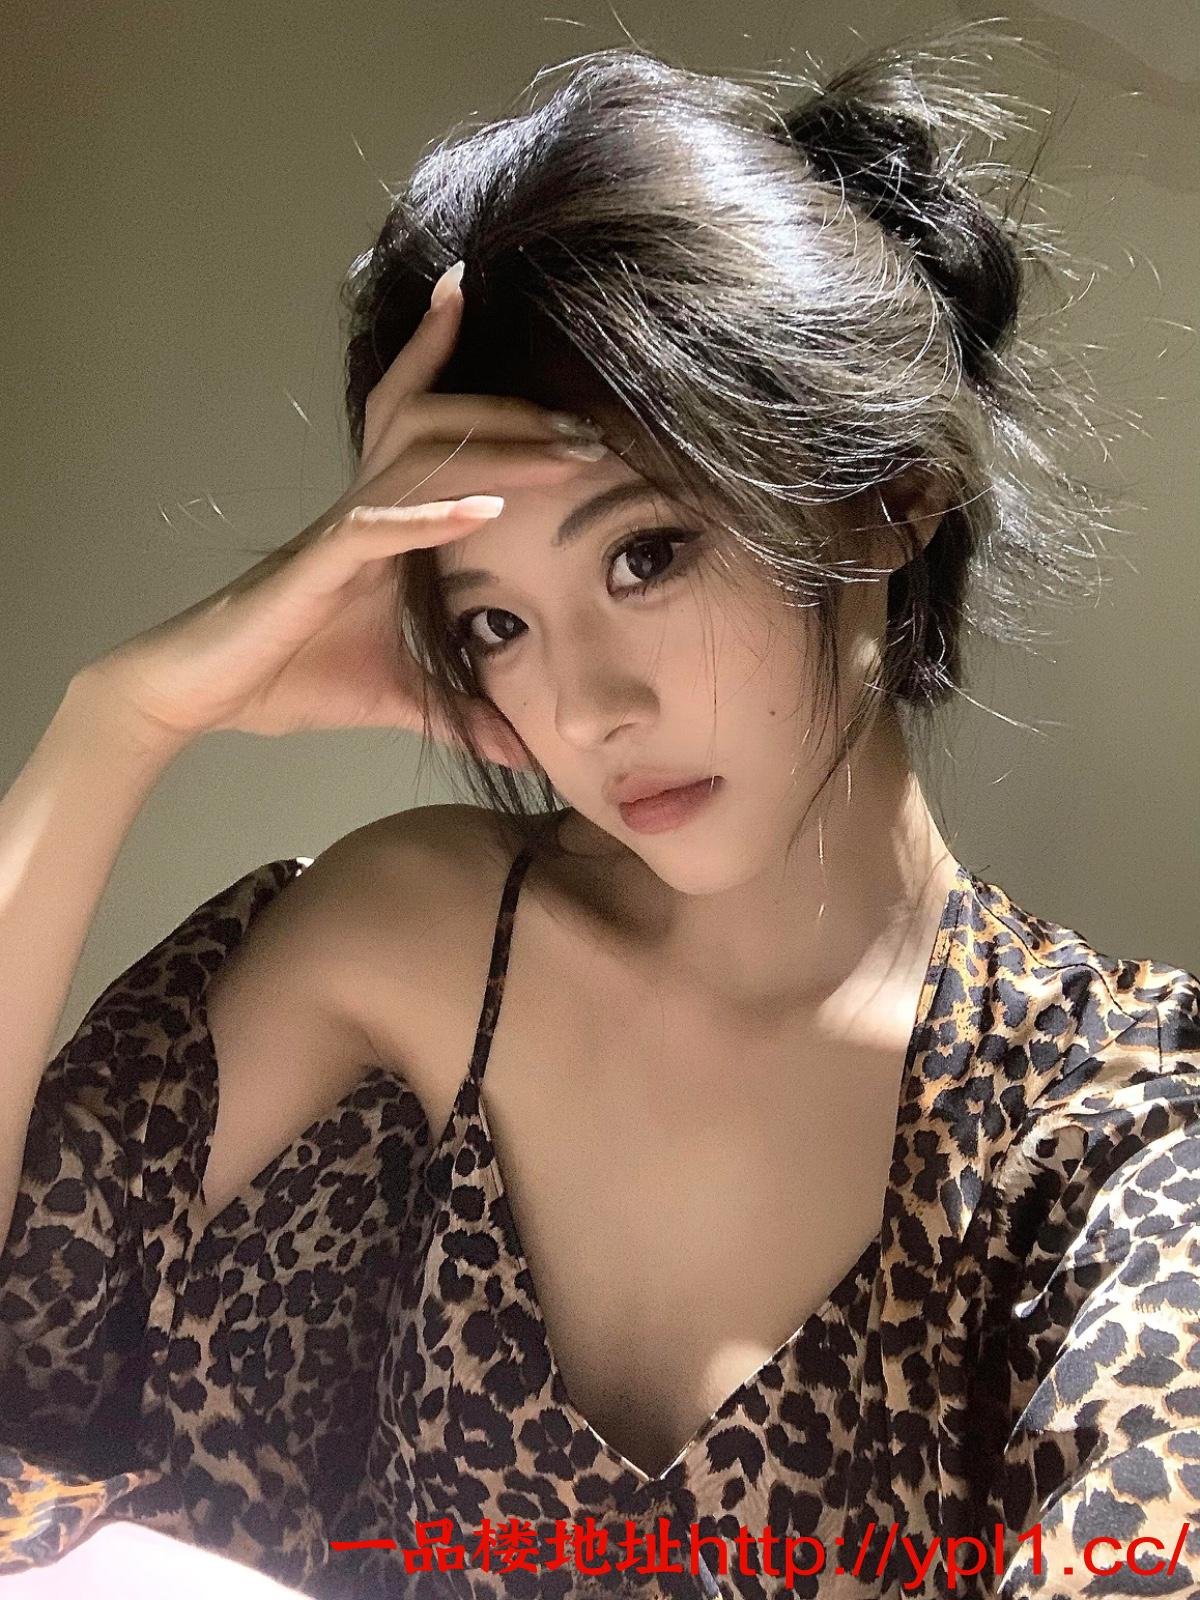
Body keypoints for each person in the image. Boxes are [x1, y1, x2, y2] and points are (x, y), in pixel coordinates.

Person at [1, 26, 1197, 1600]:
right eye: (494, 620)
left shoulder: (1114, 1113)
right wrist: (118, 725)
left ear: (889, 492)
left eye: (645, 556)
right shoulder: (415, 942)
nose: (583, 712)